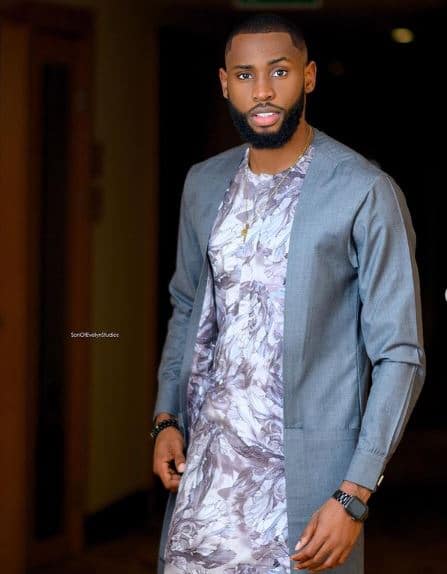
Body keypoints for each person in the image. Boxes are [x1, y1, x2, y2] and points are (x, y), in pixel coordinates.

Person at [151, 12, 425, 574]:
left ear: (309, 76)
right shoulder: (203, 184)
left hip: (308, 495)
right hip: (206, 484)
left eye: (279, 71)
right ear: (224, 84)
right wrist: (166, 416)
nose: (263, 91)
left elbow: (400, 355)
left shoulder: (365, 192)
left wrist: (355, 492)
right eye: (245, 75)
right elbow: (188, 306)